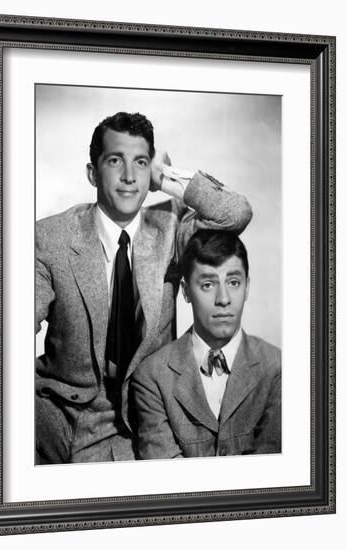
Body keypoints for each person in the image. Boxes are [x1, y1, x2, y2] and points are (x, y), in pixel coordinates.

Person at [35, 112, 253, 464]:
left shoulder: (170, 229)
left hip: (135, 425)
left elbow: (235, 213)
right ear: (93, 173)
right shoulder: (50, 238)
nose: (128, 176)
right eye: (114, 161)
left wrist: (164, 176)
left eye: (139, 163)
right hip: (52, 417)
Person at [132, 229, 281, 459]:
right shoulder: (151, 377)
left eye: (233, 282)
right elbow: (164, 483)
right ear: (185, 291)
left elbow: (276, 476)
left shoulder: (277, 368)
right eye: (208, 285)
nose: (223, 299)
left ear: (247, 287)